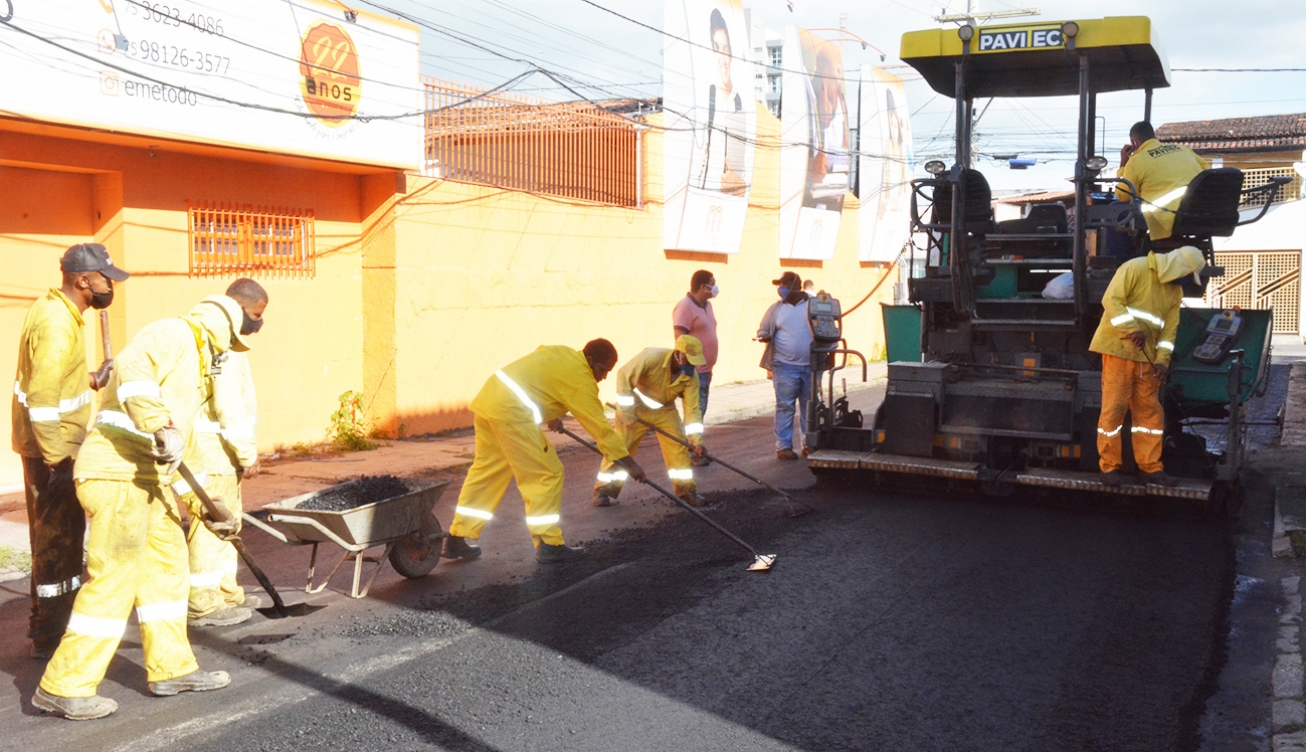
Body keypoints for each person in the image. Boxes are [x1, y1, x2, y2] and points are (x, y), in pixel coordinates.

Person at [33, 293, 252, 720]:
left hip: (149, 482)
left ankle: (172, 669)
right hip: (115, 474)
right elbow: (132, 366)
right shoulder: (174, 334)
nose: (227, 355)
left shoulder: (194, 379)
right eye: (229, 344)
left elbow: (181, 457)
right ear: (219, 329)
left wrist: (208, 509)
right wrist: (157, 423)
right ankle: (63, 685)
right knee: (115, 580)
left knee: (168, 574)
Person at [12, 244, 126, 659]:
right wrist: (58, 460)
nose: (110, 286)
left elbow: (56, 382)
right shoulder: (58, 324)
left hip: (48, 445)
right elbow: (43, 400)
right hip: (53, 450)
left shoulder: (55, 308)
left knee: (53, 538)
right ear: (82, 280)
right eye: (104, 279)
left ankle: (47, 623)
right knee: (57, 544)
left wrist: (93, 379)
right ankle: (50, 634)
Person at [443, 340, 647, 564]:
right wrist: (629, 463)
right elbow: (601, 429)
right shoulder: (580, 380)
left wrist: (552, 413)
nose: (604, 376)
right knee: (547, 473)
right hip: (511, 413)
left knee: (487, 472)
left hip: (490, 401)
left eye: (608, 371)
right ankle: (549, 544)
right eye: (602, 370)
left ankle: (457, 537)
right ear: (590, 360)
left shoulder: (563, 353)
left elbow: (539, 380)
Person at [175, 278, 267, 628]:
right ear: (239, 308)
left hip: (220, 454)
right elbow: (229, 407)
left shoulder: (224, 341)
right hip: (213, 454)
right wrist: (248, 454)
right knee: (211, 524)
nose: (259, 322)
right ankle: (203, 601)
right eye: (256, 315)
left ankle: (226, 592)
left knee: (229, 523)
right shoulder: (223, 347)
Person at [1089, 246, 1207, 487]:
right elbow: (1111, 300)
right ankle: (1109, 467)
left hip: (1147, 359)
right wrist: (1132, 329)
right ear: (1179, 266)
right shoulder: (1136, 268)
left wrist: (1162, 362)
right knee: (1115, 409)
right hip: (1118, 350)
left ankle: (1150, 468)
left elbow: (1168, 332)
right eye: (1186, 275)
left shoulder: (1174, 292)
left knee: (1150, 413)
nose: (1185, 281)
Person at [594, 335, 708, 508]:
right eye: (689, 360)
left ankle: (686, 491)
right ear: (678, 353)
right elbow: (624, 376)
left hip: (665, 410)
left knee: (678, 447)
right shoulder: (651, 358)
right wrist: (627, 414)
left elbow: (692, 409)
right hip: (636, 408)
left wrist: (696, 441)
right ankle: (604, 489)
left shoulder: (691, 377)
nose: (691, 365)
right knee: (622, 447)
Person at [1115, 121, 1211, 245]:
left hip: (1169, 217)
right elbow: (1208, 172)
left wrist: (1123, 165)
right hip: (1200, 213)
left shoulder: (1137, 160)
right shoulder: (1183, 150)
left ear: (1134, 142)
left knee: (1116, 210)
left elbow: (1123, 195)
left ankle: (1121, 257)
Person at [758, 271, 814, 460]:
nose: (780, 289)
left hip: (810, 366)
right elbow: (763, 329)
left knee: (810, 406)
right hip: (784, 366)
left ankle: (809, 443)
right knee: (784, 406)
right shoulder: (776, 309)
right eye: (779, 285)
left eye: (783, 285)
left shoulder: (812, 306)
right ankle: (783, 446)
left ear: (795, 285)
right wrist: (763, 336)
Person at [699, 8, 746, 196]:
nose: (722, 59)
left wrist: (738, 185)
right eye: (717, 49)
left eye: (725, 50)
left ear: (731, 55)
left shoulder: (740, 104)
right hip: (705, 198)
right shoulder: (707, 98)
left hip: (731, 201)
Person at [672, 270, 719, 438]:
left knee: (700, 410)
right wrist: (686, 366)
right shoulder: (685, 306)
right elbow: (680, 339)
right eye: (712, 285)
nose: (715, 288)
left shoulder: (708, 306)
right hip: (695, 370)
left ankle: (692, 444)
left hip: (706, 369)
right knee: (695, 411)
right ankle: (691, 445)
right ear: (702, 287)